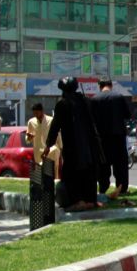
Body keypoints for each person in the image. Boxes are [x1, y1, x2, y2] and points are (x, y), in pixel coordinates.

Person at [44, 77, 105, 211]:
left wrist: (48, 145)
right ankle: (91, 200)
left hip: (73, 147)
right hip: (90, 146)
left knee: (71, 174)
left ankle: (78, 201)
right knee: (89, 173)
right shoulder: (86, 101)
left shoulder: (62, 104)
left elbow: (55, 126)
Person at [91, 79, 133, 198]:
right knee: (120, 164)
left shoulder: (94, 99)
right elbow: (128, 115)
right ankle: (122, 189)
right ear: (111, 85)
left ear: (99, 86)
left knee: (103, 165)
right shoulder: (118, 97)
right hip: (118, 137)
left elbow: (91, 119)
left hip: (102, 139)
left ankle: (103, 188)